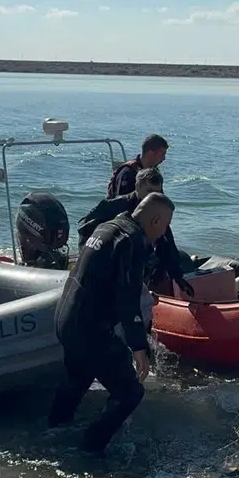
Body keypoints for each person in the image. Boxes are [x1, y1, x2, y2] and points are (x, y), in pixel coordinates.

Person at [48, 193, 175, 454]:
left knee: (77, 380)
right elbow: (127, 298)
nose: (162, 234)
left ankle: (53, 432)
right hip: (90, 329)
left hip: (66, 319)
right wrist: (138, 347)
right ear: (154, 219)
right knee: (130, 392)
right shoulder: (133, 241)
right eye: (164, 226)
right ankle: (90, 449)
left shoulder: (107, 227)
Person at [78, 168, 194, 297]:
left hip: (142, 264)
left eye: (157, 191)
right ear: (137, 186)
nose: (153, 196)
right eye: (149, 191)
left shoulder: (157, 210)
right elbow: (86, 229)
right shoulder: (115, 206)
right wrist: (87, 262)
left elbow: (167, 244)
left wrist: (178, 277)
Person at [107, 134, 169, 198]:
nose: (164, 158)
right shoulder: (128, 172)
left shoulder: (154, 173)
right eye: (162, 154)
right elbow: (122, 202)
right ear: (150, 154)